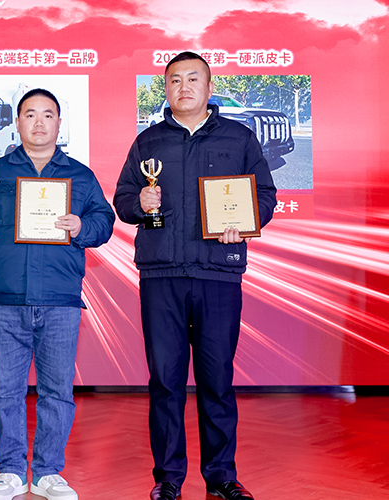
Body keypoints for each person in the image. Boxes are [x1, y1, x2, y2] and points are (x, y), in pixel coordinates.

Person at [113, 52, 277, 500]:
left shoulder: (238, 138)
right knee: (165, 381)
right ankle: (168, 478)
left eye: (192, 79)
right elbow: (122, 199)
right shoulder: (148, 142)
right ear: (165, 88)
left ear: (209, 86)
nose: (183, 87)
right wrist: (138, 204)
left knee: (216, 379)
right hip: (161, 274)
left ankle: (221, 475)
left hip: (217, 273)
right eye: (174, 80)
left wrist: (245, 222)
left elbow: (264, 194)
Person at [0, 89, 115, 500]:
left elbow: (104, 220)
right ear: (17, 123)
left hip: (61, 299)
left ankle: (48, 472)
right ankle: (10, 471)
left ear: (58, 123)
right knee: (5, 391)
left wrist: (81, 227)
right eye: (30, 114)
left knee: (57, 392)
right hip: (6, 298)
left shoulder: (80, 175)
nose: (38, 123)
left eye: (47, 115)